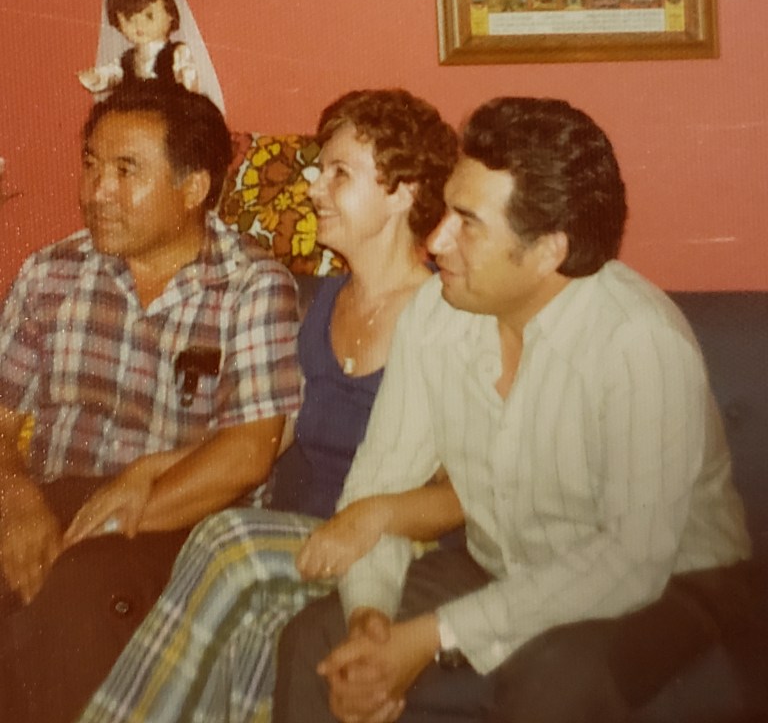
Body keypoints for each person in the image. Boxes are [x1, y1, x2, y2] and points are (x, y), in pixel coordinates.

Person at [273, 96, 764, 723]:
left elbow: (631, 560)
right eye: (446, 210)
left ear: (547, 251)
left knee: (558, 678)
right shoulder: (434, 316)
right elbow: (380, 483)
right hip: (502, 560)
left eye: (467, 223)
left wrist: (429, 636)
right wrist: (370, 620)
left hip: (672, 581)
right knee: (316, 640)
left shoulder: (639, 341)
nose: (436, 240)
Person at [77, 88, 460, 723]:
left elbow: (462, 493)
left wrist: (365, 522)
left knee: (228, 539)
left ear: (403, 193)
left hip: (389, 552)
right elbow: (274, 433)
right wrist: (152, 468)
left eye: (339, 174)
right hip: (295, 534)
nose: (313, 187)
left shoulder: (447, 318)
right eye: (317, 171)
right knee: (251, 640)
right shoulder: (325, 303)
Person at [0, 81, 300, 722]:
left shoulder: (252, 289)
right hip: (50, 497)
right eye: (90, 165)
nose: (95, 192)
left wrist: (93, 531)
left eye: (125, 171)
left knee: (78, 594)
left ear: (193, 188)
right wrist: (17, 499)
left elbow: (248, 454)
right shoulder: (50, 273)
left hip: (180, 520)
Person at [78, 0, 226, 113]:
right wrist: (97, 78)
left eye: (149, 16)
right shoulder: (127, 59)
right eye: (129, 20)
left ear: (170, 14)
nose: (139, 25)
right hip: (136, 113)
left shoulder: (177, 53)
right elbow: (112, 74)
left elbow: (188, 83)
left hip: (169, 111)